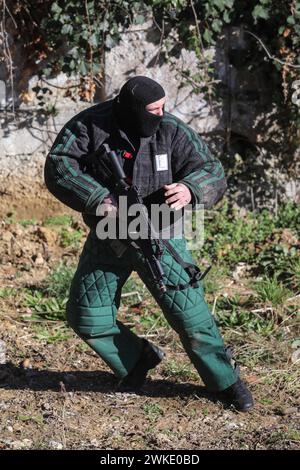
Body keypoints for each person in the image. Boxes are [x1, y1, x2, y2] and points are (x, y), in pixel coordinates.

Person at [44, 76, 254, 412]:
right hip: (109, 234)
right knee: (87, 316)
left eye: (162, 107)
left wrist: (190, 189)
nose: (162, 113)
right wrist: (99, 198)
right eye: (153, 109)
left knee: (191, 317)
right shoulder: (90, 124)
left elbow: (211, 170)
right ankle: (136, 360)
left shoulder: (171, 130)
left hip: (160, 236)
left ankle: (226, 381)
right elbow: (59, 166)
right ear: (131, 109)